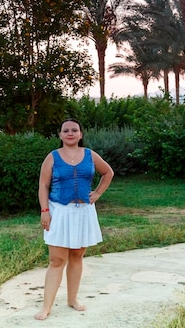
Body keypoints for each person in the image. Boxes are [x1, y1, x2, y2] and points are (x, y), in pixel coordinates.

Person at [34, 118, 114, 321]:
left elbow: (108, 173)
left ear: (80, 134)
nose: (70, 133)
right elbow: (43, 186)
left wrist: (97, 193)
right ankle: (47, 306)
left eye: (74, 130)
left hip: (84, 212)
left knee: (77, 257)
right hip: (59, 212)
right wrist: (45, 210)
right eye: (66, 130)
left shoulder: (90, 155)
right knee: (56, 260)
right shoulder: (52, 157)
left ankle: (72, 299)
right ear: (60, 135)